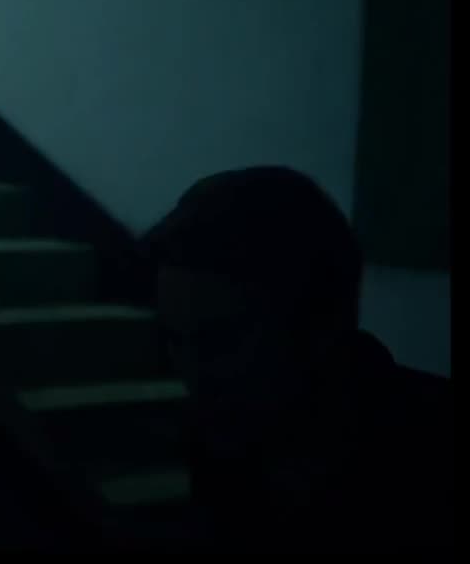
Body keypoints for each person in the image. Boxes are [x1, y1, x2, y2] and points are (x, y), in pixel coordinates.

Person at [142, 166, 452, 549]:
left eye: (220, 341)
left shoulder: (432, 457)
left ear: (322, 325)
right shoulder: (225, 437)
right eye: (174, 339)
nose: (190, 374)